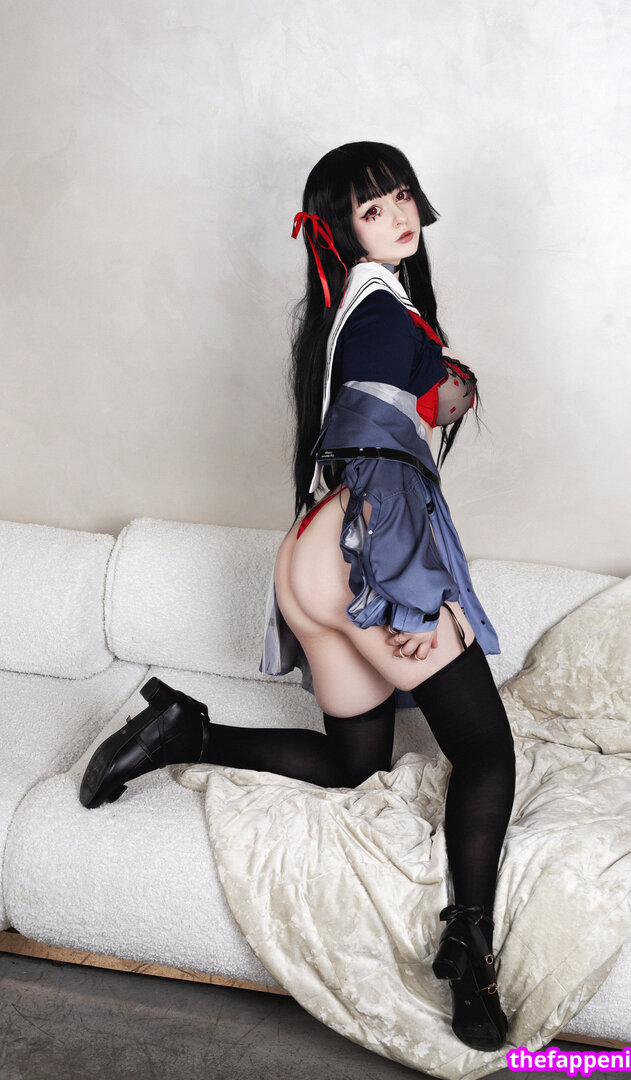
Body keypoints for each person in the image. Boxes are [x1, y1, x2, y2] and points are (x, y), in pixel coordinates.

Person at [79, 142, 516, 1052]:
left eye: (402, 196)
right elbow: (385, 468)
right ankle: (468, 950)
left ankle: (185, 733)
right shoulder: (383, 311)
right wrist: (408, 595)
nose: (398, 215)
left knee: (356, 764)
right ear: (339, 228)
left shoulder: (352, 308)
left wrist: (448, 386)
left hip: (310, 555)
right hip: (365, 553)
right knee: (485, 753)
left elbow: (386, 422)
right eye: (371, 208)